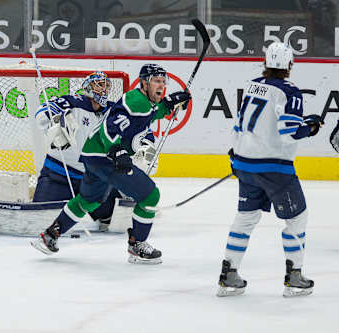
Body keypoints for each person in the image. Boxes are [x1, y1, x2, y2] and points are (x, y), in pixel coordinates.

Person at [31, 64, 191, 264]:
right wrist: (116, 150)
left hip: (92, 156)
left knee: (88, 201)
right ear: (144, 82)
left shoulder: (143, 102)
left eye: (162, 81)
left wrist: (169, 104)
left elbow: (151, 113)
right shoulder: (134, 101)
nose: (160, 85)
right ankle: (138, 245)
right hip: (105, 158)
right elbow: (110, 127)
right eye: (156, 80)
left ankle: (50, 236)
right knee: (151, 196)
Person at [216, 42, 323, 297]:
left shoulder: (254, 84)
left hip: (244, 163)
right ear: (289, 65)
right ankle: (294, 277)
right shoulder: (290, 92)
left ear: (265, 64)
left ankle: (228, 275)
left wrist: (237, 154)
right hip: (274, 169)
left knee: (245, 218)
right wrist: (312, 127)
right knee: (297, 218)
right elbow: (289, 133)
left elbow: (243, 124)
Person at [33, 71, 156, 231]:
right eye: (98, 85)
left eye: (106, 86)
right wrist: (54, 123)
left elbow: (143, 131)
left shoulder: (115, 110)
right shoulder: (72, 101)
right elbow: (43, 111)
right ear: (87, 87)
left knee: (112, 221)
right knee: (38, 220)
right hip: (59, 175)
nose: (103, 90)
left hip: (96, 178)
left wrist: (146, 146)